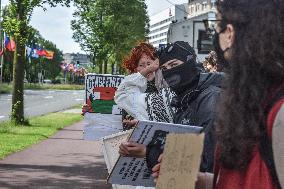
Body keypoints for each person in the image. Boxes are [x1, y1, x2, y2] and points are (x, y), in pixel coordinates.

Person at [154, 0, 284, 188]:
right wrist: (201, 181)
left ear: (230, 33)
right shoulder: (251, 101)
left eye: (218, 27)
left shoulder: (277, 112)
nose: (216, 36)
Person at [145, 41, 223, 172]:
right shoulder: (184, 100)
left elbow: (207, 162)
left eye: (174, 64)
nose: (170, 71)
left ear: (190, 62)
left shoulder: (211, 98)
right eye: (164, 68)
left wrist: (148, 153)